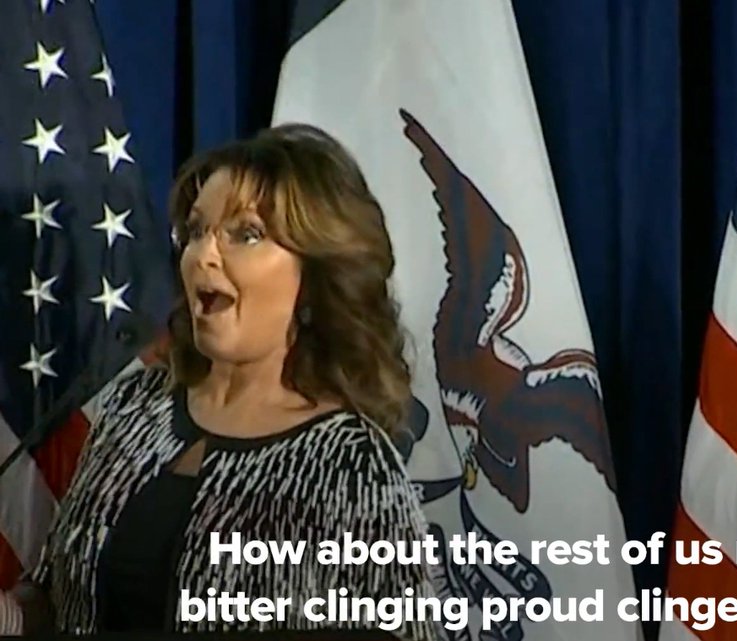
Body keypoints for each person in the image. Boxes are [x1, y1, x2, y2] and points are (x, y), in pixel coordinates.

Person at [0, 124, 445, 639]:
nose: (202, 256)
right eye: (195, 231)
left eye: (245, 234)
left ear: (315, 275)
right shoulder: (136, 407)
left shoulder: (352, 465)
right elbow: (56, 597)